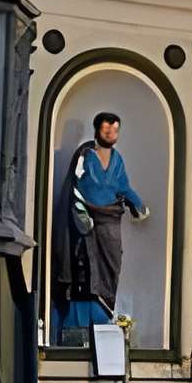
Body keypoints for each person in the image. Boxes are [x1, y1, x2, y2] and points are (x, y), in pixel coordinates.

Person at [52, 112, 148, 342]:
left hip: (111, 220)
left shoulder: (117, 160)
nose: (110, 134)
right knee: (84, 268)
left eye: (114, 130)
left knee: (112, 265)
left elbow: (123, 186)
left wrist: (138, 204)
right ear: (97, 130)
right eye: (107, 130)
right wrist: (81, 213)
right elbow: (75, 187)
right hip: (86, 223)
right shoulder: (85, 156)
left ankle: (104, 315)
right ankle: (79, 323)